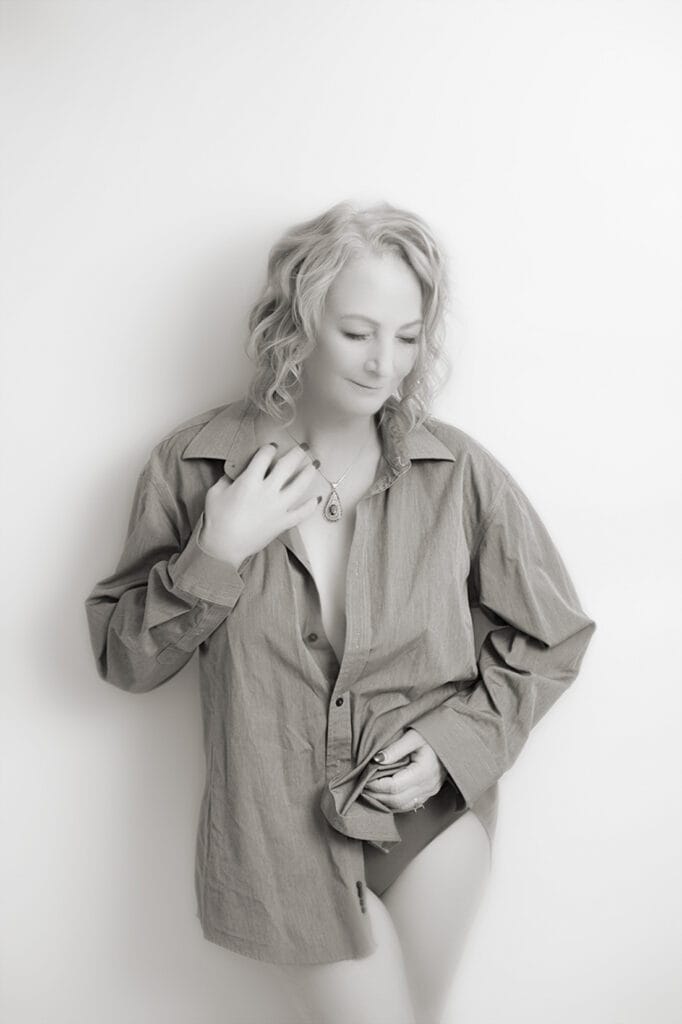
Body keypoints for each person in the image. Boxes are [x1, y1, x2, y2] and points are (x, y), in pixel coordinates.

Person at [84, 200, 597, 1024]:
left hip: (426, 818)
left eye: (407, 335)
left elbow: (555, 638)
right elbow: (125, 660)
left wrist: (449, 745)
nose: (385, 365)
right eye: (358, 332)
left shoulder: (456, 472)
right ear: (299, 320)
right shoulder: (194, 468)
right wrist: (216, 551)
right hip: (275, 832)